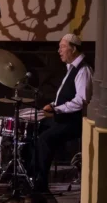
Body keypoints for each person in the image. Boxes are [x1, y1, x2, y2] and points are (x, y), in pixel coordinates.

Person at [34, 33, 92, 192]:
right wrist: (53, 105)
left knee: (45, 139)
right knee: (37, 128)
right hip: (64, 118)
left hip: (74, 122)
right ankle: (32, 175)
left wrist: (56, 109)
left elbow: (81, 100)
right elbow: (65, 96)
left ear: (73, 49)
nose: (59, 51)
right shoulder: (71, 68)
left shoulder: (83, 70)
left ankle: (41, 185)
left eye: (62, 47)